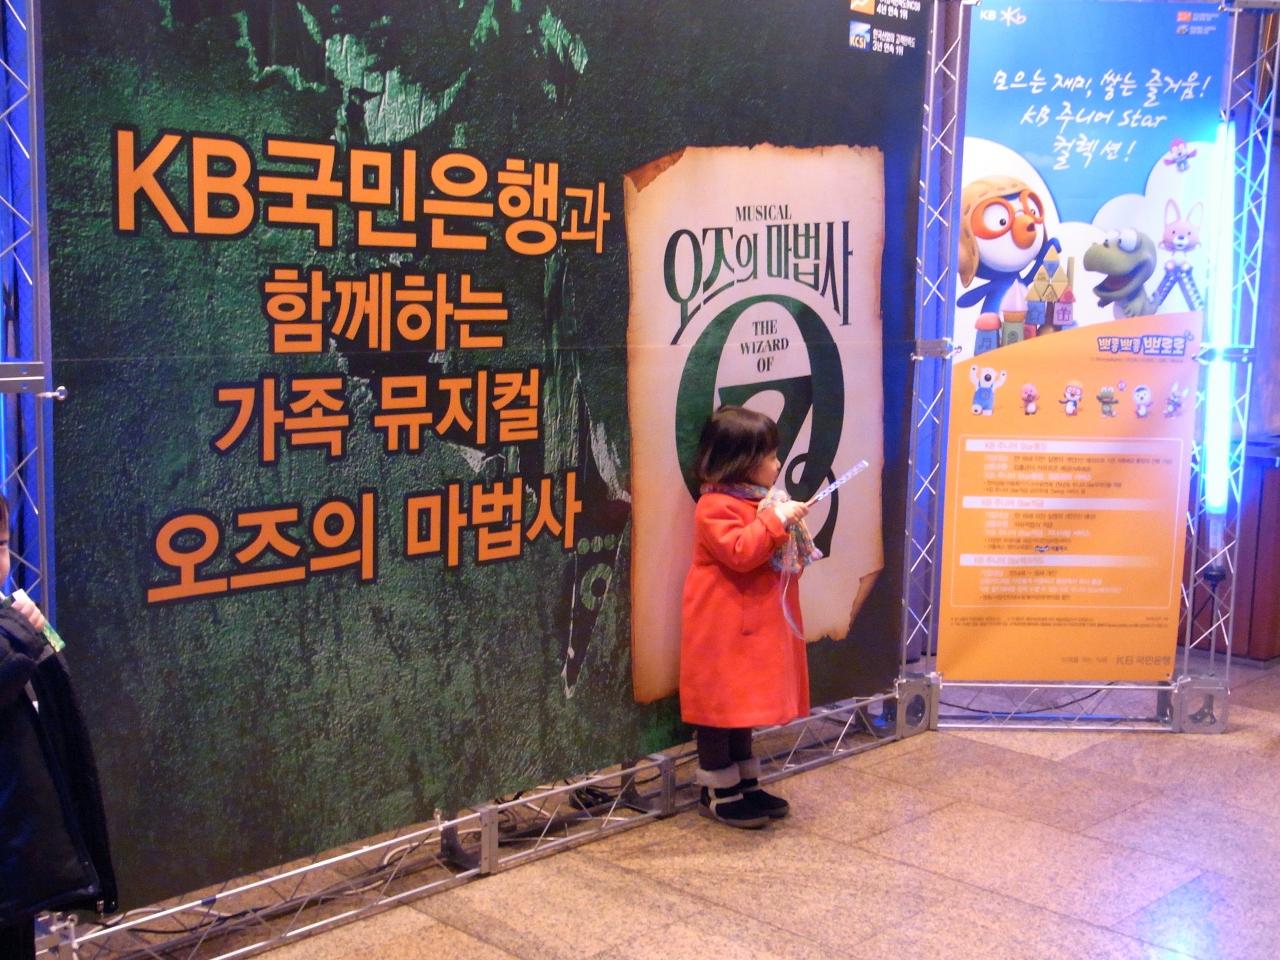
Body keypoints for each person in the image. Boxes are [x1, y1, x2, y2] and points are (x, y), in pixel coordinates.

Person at [680, 406, 818, 829]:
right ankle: (717, 791)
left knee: (740, 707)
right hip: (721, 626)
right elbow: (740, 552)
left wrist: (781, 520)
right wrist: (776, 520)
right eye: (770, 457)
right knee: (719, 709)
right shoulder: (714, 506)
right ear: (741, 461)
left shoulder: (760, 502)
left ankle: (744, 783)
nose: (778, 464)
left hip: (750, 624)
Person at [0, 497, 116, 958]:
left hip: (16, 857)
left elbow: (56, 679)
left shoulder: (10, 618)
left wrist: (31, 636)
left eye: (0, 545)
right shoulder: (11, 630)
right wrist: (19, 637)